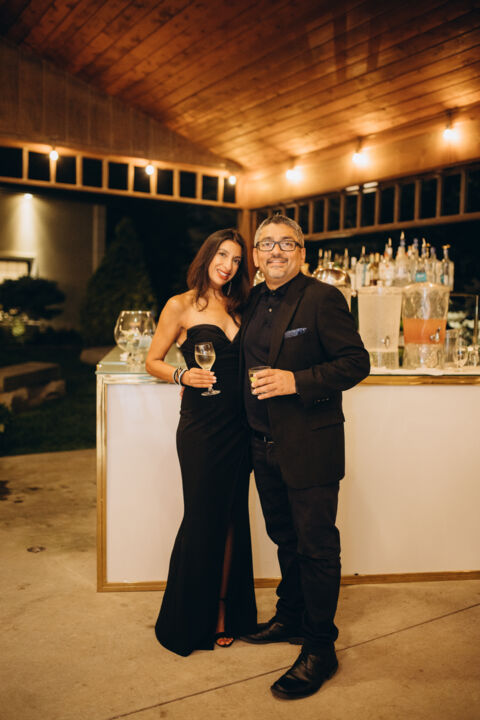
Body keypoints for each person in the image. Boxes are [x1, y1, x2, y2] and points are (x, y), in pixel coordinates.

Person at [239, 214, 370, 699]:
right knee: (285, 538)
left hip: (310, 444)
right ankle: (290, 617)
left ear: (301, 252)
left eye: (285, 243)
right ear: (255, 256)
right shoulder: (253, 299)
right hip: (261, 444)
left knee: (316, 547)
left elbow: (356, 362)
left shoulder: (322, 298)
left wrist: (296, 381)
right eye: (266, 244)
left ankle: (320, 647)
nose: (275, 251)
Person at [145, 228, 257, 656]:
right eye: (222, 255)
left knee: (232, 519)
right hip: (201, 428)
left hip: (240, 427)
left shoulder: (242, 305)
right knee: (201, 519)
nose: (227, 265)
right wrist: (182, 375)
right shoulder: (180, 305)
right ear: (208, 256)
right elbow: (152, 360)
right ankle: (189, 617)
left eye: (236, 259)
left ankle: (224, 612)